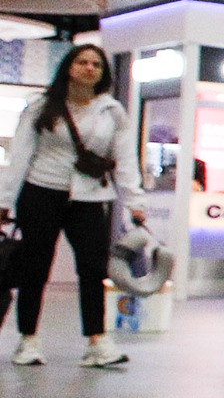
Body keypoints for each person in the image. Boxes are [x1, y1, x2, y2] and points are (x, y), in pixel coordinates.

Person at [1, 41, 148, 367]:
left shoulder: (112, 111)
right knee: (35, 268)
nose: (89, 68)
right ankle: (28, 339)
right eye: (82, 62)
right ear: (69, 67)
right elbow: (21, 155)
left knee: (93, 268)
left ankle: (97, 341)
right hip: (42, 190)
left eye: (96, 64)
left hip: (90, 196)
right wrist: (5, 201)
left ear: (103, 73)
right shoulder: (41, 106)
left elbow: (125, 160)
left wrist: (134, 202)